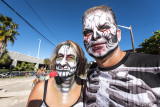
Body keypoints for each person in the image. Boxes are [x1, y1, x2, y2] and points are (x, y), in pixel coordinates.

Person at [82, 5, 160, 106]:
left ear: (118, 35)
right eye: (88, 32)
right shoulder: (91, 72)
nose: (95, 36)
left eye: (103, 28)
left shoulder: (156, 66)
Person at [27, 40, 87, 107]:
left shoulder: (87, 88)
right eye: (60, 57)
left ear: (78, 62)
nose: (62, 63)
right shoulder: (41, 88)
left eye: (70, 57)